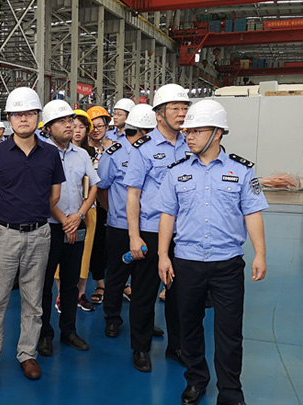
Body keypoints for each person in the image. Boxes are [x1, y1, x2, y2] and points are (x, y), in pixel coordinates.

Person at [157, 100, 267, 405]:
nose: (189, 136)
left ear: (217, 133)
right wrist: (163, 255)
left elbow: (253, 213)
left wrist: (260, 254)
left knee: (229, 331)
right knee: (189, 326)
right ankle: (196, 379)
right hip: (187, 262)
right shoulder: (176, 172)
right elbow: (167, 215)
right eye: (187, 131)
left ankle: (230, 391)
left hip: (227, 263)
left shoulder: (241, 171)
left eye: (196, 131)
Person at [0, 87, 64, 381]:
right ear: (9, 118)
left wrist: (31, 212)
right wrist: (8, 213)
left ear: (38, 117)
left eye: (29, 113)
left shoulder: (50, 153)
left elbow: (54, 195)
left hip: (39, 234)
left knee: (33, 300)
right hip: (4, 234)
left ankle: (27, 354)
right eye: (17, 114)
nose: (23, 119)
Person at [123, 83, 190, 373]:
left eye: (184, 107)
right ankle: (140, 348)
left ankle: (177, 346)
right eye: (175, 108)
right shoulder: (144, 149)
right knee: (144, 292)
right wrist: (134, 236)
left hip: (183, 232)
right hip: (151, 230)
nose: (181, 113)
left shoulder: (192, 144)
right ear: (159, 114)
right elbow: (133, 195)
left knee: (180, 294)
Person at [38, 100, 99, 356]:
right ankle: (44, 334)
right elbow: (41, 194)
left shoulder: (81, 154)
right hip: (51, 227)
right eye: (62, 121)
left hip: (76, 224)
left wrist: (79, 215)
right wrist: (65, 220)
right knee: (44, 284)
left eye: (70, 120)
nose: (69, 125)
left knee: (72, 282)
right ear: (48, 127)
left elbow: (93, 185)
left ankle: (69, 330)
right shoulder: (41, 153)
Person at [97, 104, 163, 340]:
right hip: (121, 227)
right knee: (117, 275)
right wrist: (113, 211)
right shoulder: (113, 154)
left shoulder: (154, 152)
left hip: (149, 227)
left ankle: (144, 322)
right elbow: (101, 188)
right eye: (147, 132)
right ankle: (112, 319)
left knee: (147, 281)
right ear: (134, 131)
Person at [85, 106, 113, 305]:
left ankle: (121, 284)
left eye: (100, 126)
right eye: (92, 126)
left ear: (107, 126)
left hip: (114, 204)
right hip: (93, 204)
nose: (96, 130)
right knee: (96, 246)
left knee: (116, 246)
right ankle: (100, 284)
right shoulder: (83, 150)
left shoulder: (116, 147)